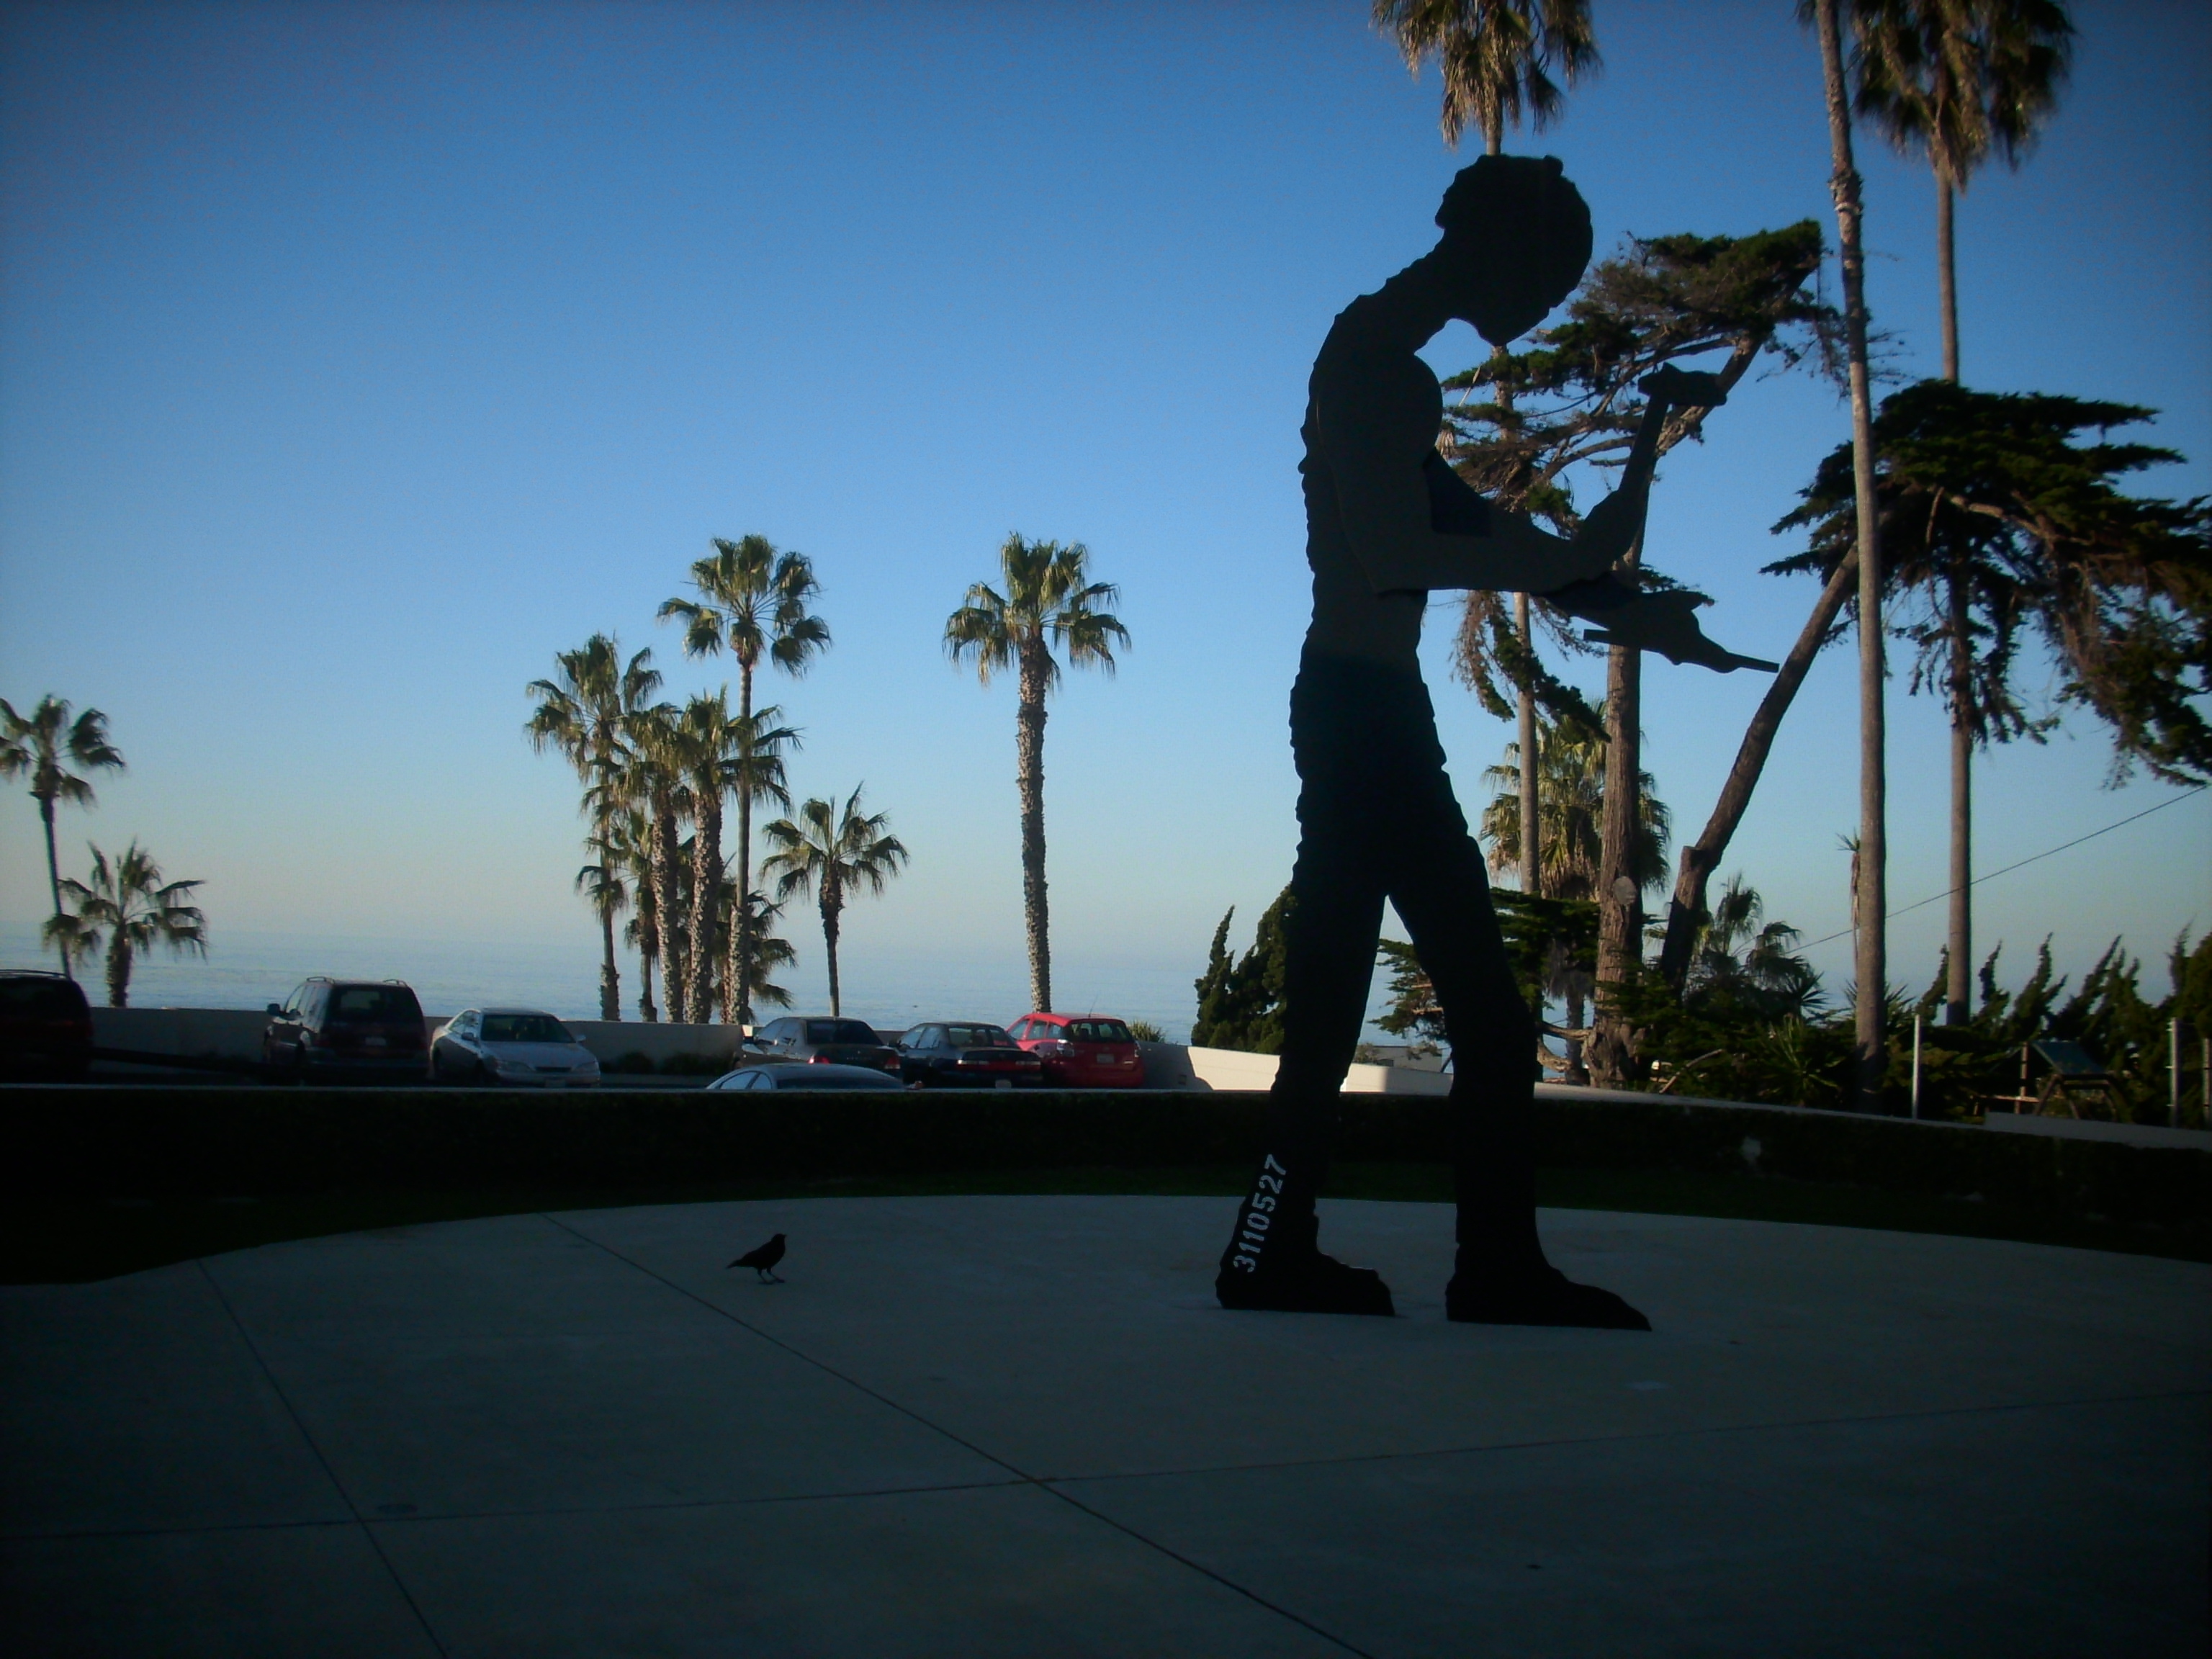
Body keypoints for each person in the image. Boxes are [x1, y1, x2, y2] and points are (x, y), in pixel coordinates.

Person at [1215, 155, 1771, 1326]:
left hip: (1373, 714)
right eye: (1552, 277)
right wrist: (1560, 564)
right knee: (1447, 1008)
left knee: (1387, 1005)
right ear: (1499, 252)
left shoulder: (1383, 368)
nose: (1552, 304)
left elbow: (1521, 546)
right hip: (1362, 719)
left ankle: (1331, 1254)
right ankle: (1450, 1265)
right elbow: (1398, 557)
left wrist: (1643, 604)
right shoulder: (1378, 368)